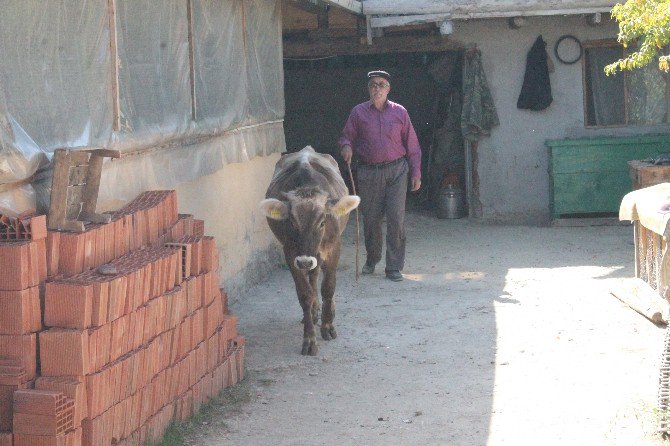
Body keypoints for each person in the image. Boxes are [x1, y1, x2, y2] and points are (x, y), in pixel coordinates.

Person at [339, 70, 422, 282]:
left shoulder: (400, 112)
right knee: (372, 220)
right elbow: (346, 137)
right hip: (369, 172)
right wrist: (346, 147)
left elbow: (412, 144)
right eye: (373, 85)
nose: (377, 88)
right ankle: (372, 258)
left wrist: (416, 172)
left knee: (396, 219)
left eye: (381, 84)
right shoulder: (358, 113)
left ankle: (393, 267)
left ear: (388, 89)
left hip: (397, 171)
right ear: (369, 89)